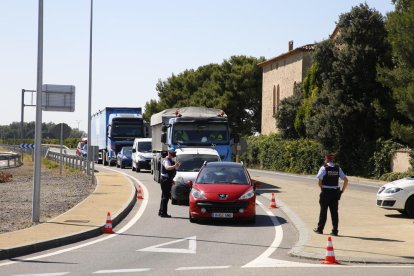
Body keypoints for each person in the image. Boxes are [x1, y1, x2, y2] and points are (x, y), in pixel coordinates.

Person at [313, 154, 348, 236]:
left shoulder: (323, 168)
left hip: (325, 192)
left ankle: (320, 229)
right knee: (334, 212)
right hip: (335, 192)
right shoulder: (338, 168)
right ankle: (335, 230)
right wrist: (342, 191)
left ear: (326, 159)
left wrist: (322, 189)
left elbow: (319, 181)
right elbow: (346, 180)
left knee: (323, 211)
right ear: (332, 159)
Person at [158, 147, 180, 218]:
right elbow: (167, 168)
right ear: (170, 153)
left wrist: (172, 180)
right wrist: (175, 166)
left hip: (167, 179)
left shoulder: (170, 160)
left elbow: (170, 172)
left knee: (164, 196)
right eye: (173, 153)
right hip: (165, 180)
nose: (174, 154)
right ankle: (163, 213)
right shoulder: (166, 160)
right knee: (165, 197)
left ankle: (161, 211)